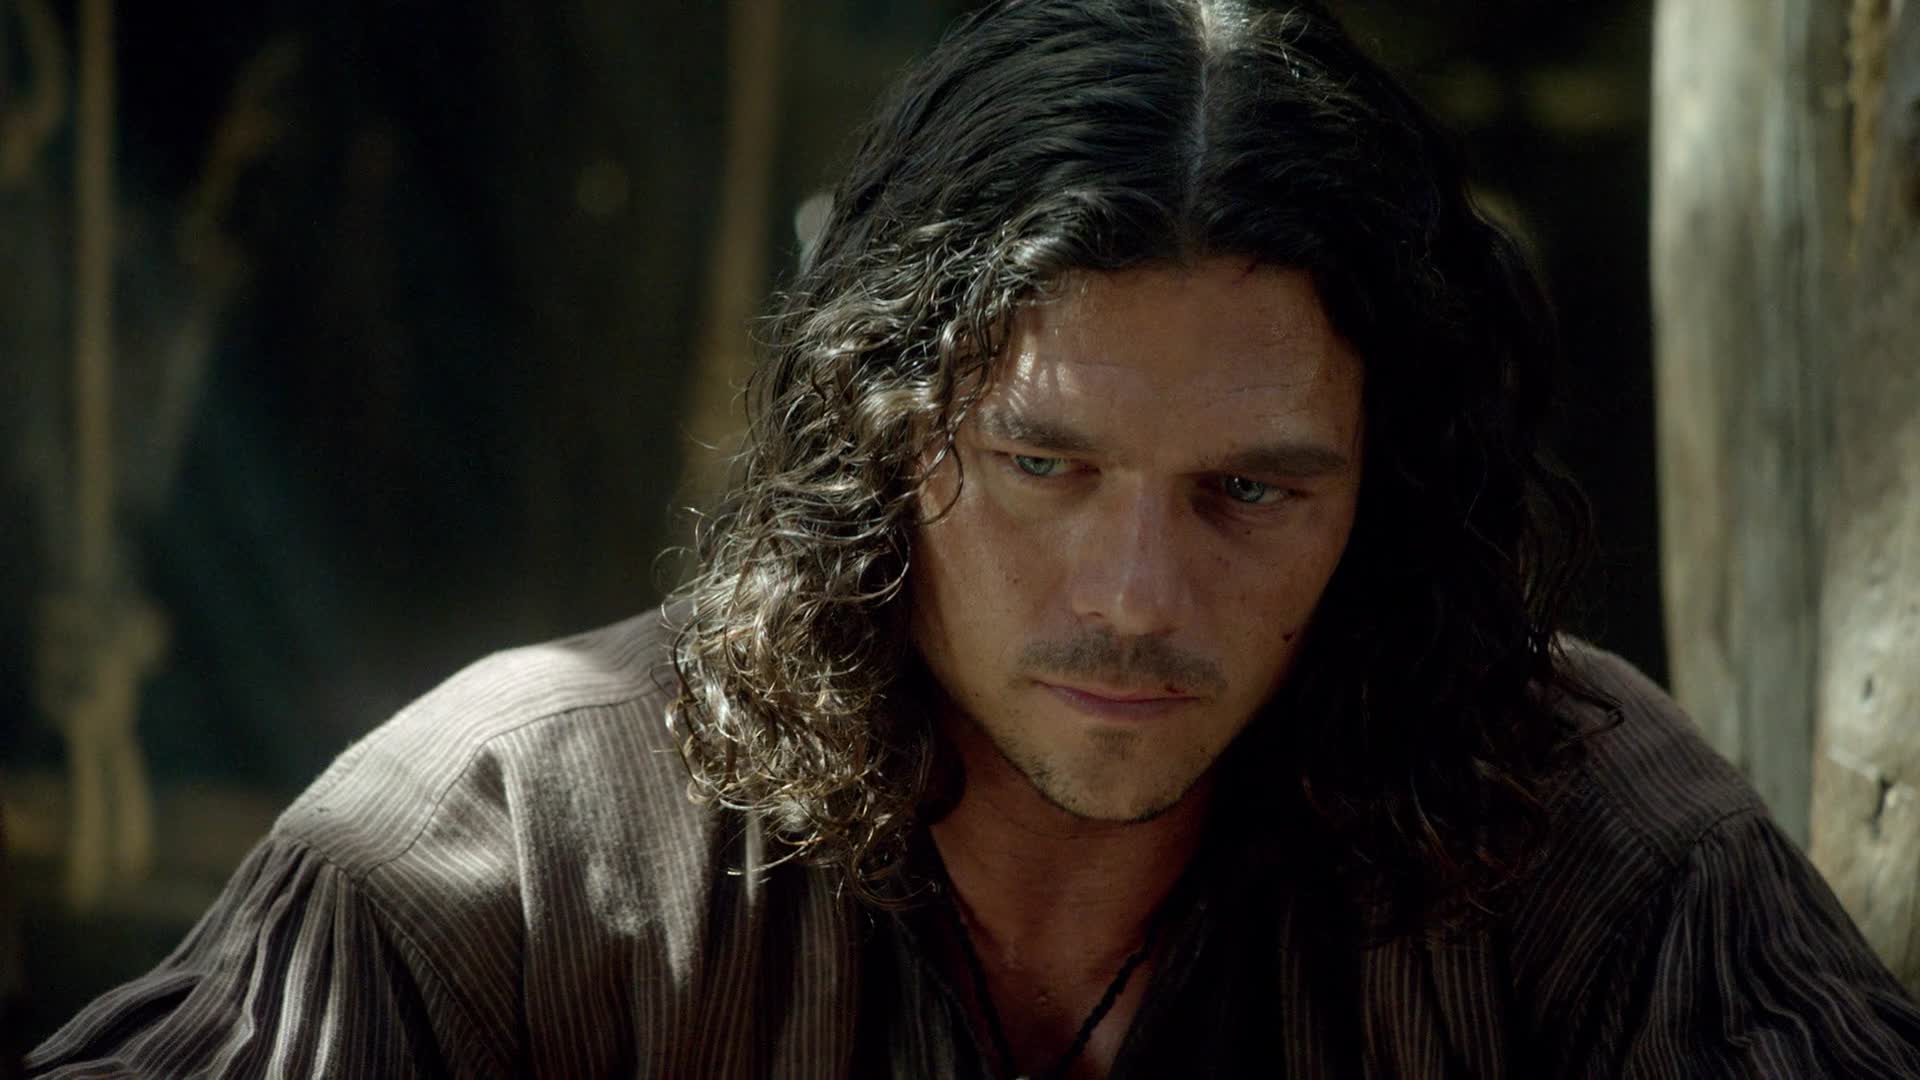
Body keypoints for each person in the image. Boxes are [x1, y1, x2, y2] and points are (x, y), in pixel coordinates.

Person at [29, 1, 1920, 1076]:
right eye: (1040, 463)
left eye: (1253, 492)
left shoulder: (1588, 850)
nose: (1136, 597)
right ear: (880, 432)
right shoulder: (504, 859)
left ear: (1387, 490)